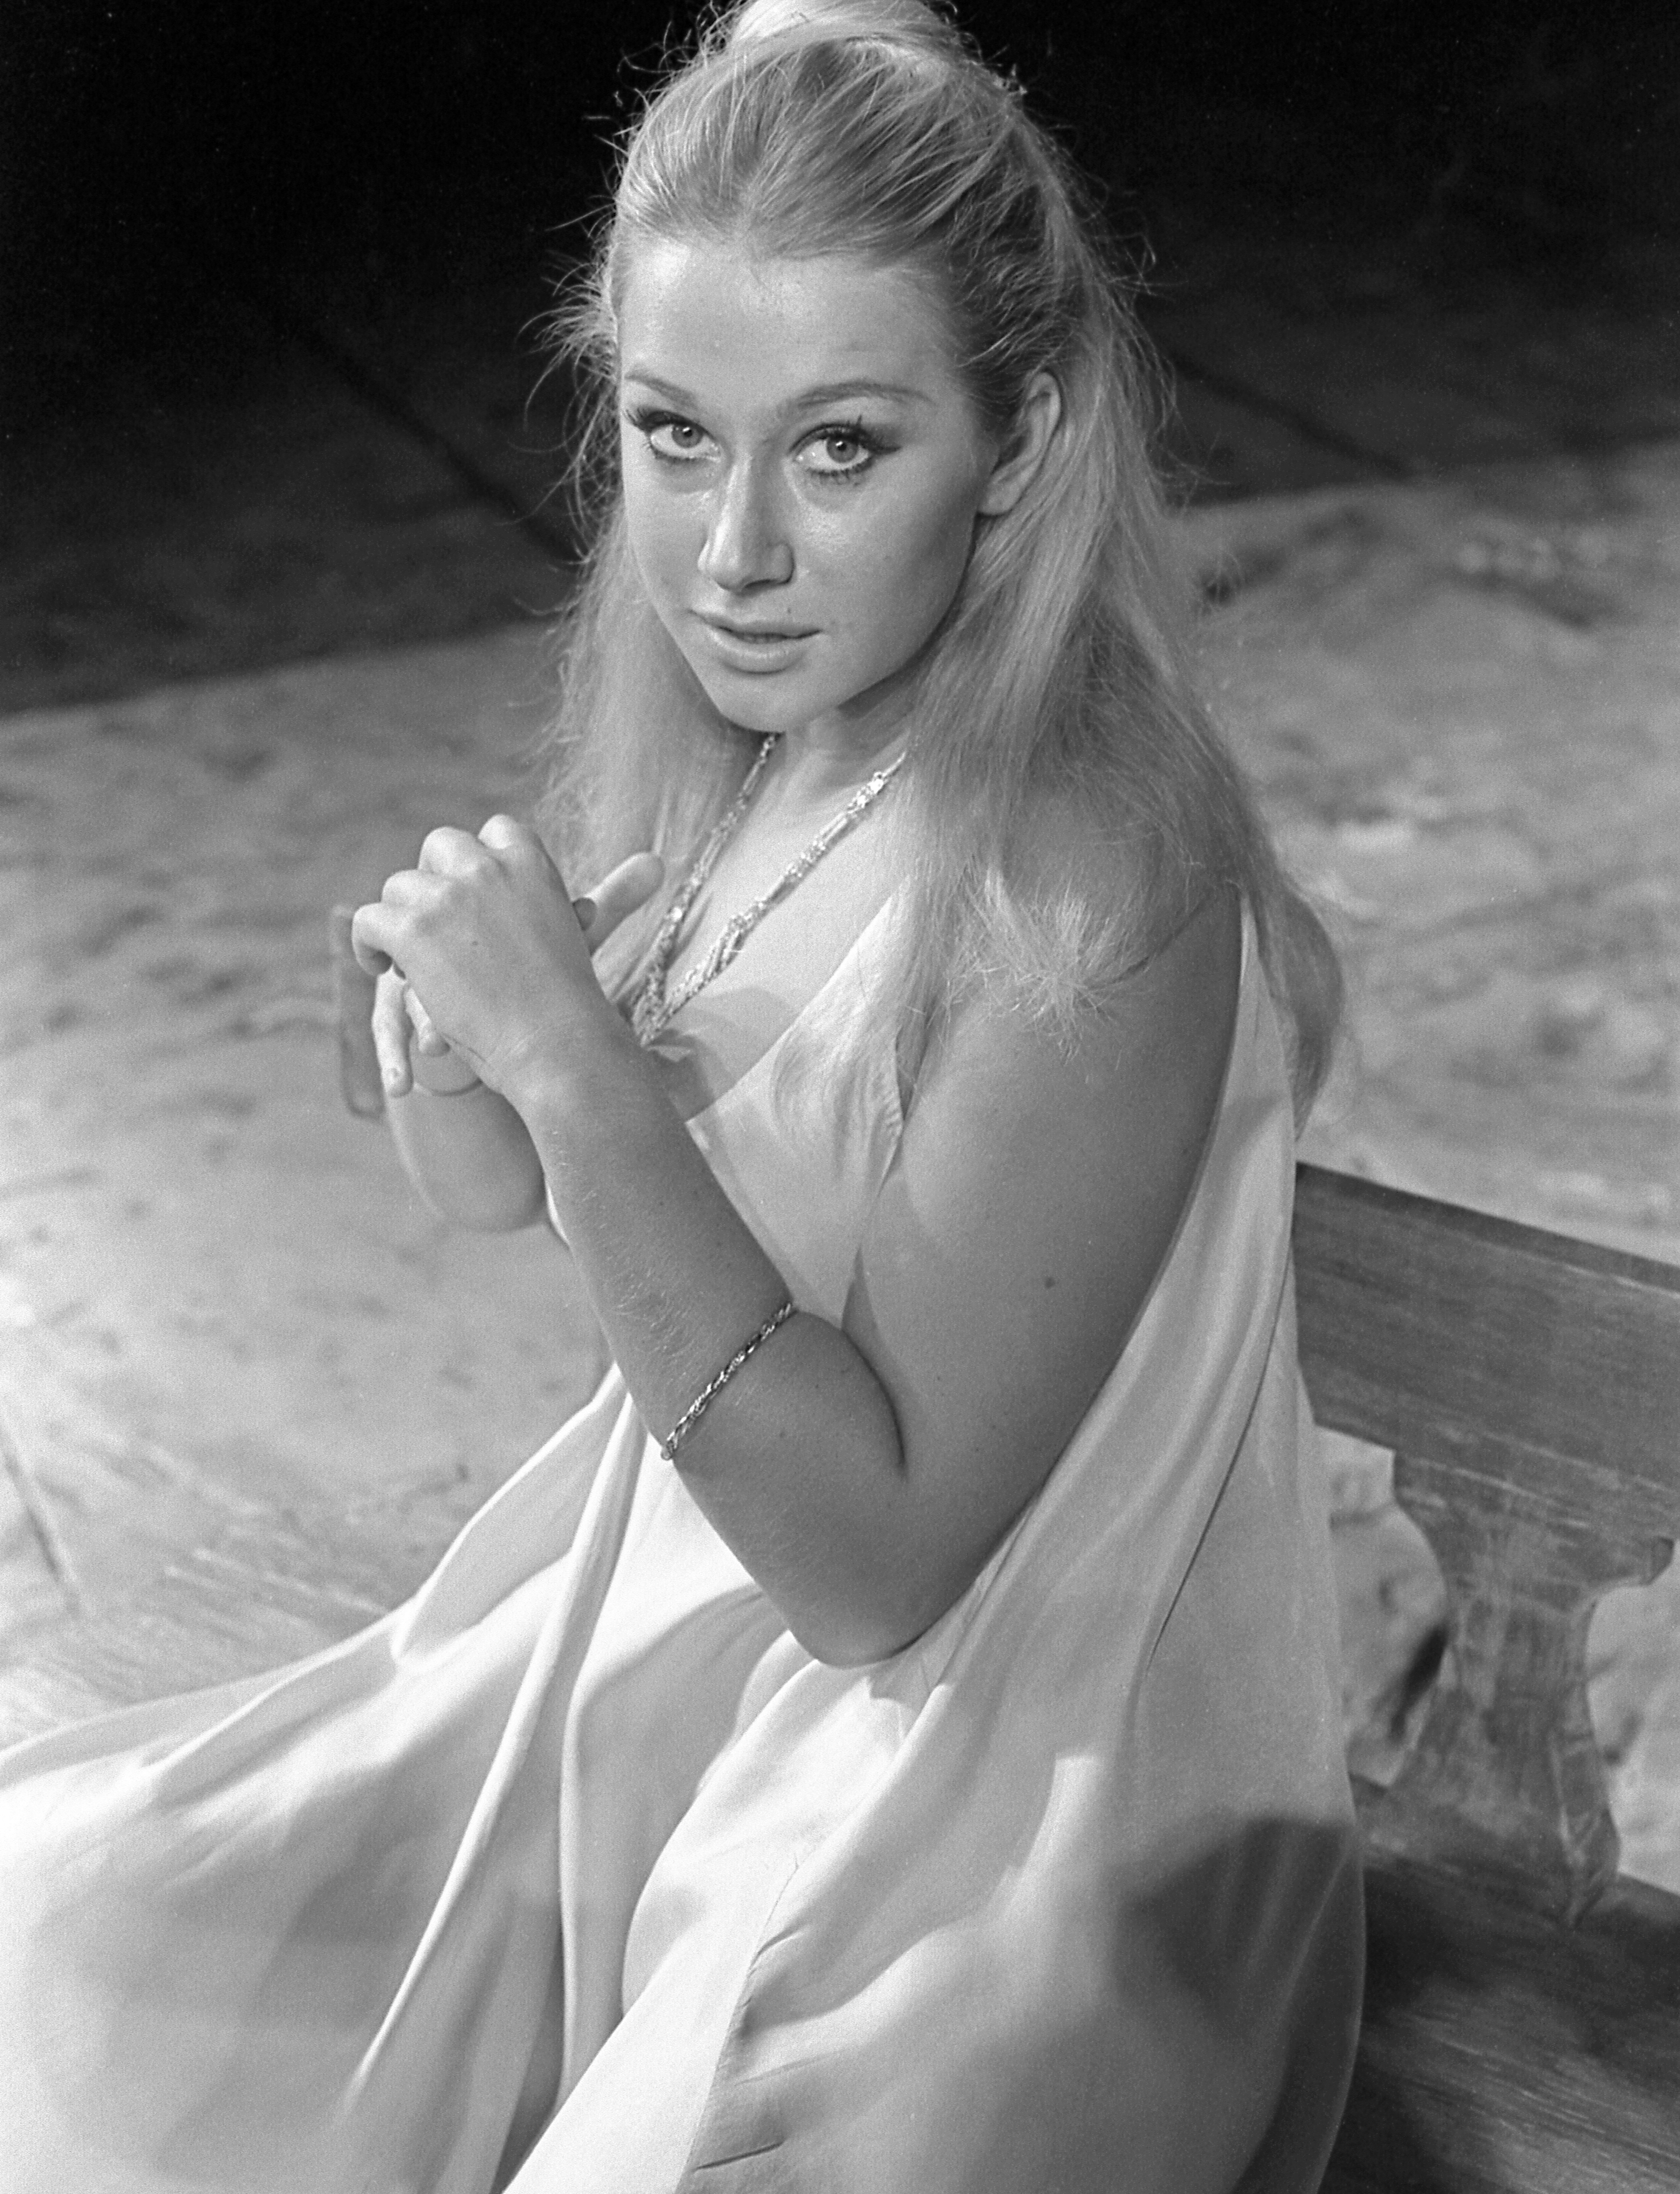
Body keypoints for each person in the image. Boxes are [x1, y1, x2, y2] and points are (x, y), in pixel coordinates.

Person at [0, 2, 1362, 2187]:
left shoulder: (1098, 859)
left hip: (1009, 1798)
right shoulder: (779, 741)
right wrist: (472, 1065)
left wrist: (581, 1080)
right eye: (670, 433)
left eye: (840, 449)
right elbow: (530, 1198)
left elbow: (881, 1568)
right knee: (62, 1947)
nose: (732, 553)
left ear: (1017, 441)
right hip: (660, 1664)